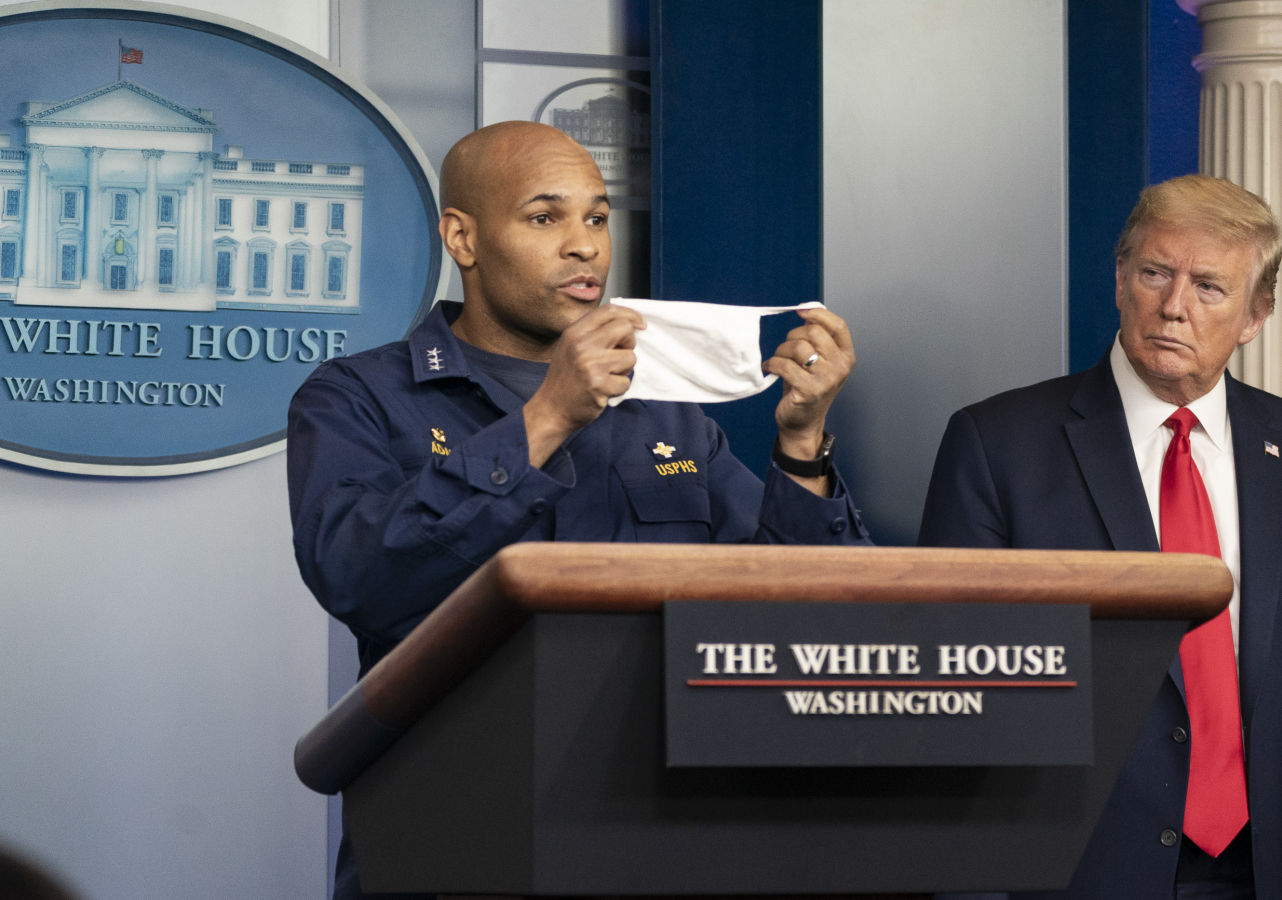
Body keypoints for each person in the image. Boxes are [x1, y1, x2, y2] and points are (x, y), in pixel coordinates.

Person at [287, 120, 869, 900]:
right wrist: (548, 418)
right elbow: (359, 576)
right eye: (544, 217)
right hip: (453, 843)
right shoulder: (357, 397)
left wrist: (802, 448)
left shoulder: (669, 413)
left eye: (597, 218)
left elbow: (802, 619)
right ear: (463, 237)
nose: (585, 245)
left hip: (666, 845)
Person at [919, 174, 1282, 900]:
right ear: (1121, 280)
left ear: (1256, 315)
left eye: (1210, 287)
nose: (1173, 306)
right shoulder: (997, 446)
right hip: (1076, 872)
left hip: (1271, 869)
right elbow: (960, 701)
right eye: (1155, 273)